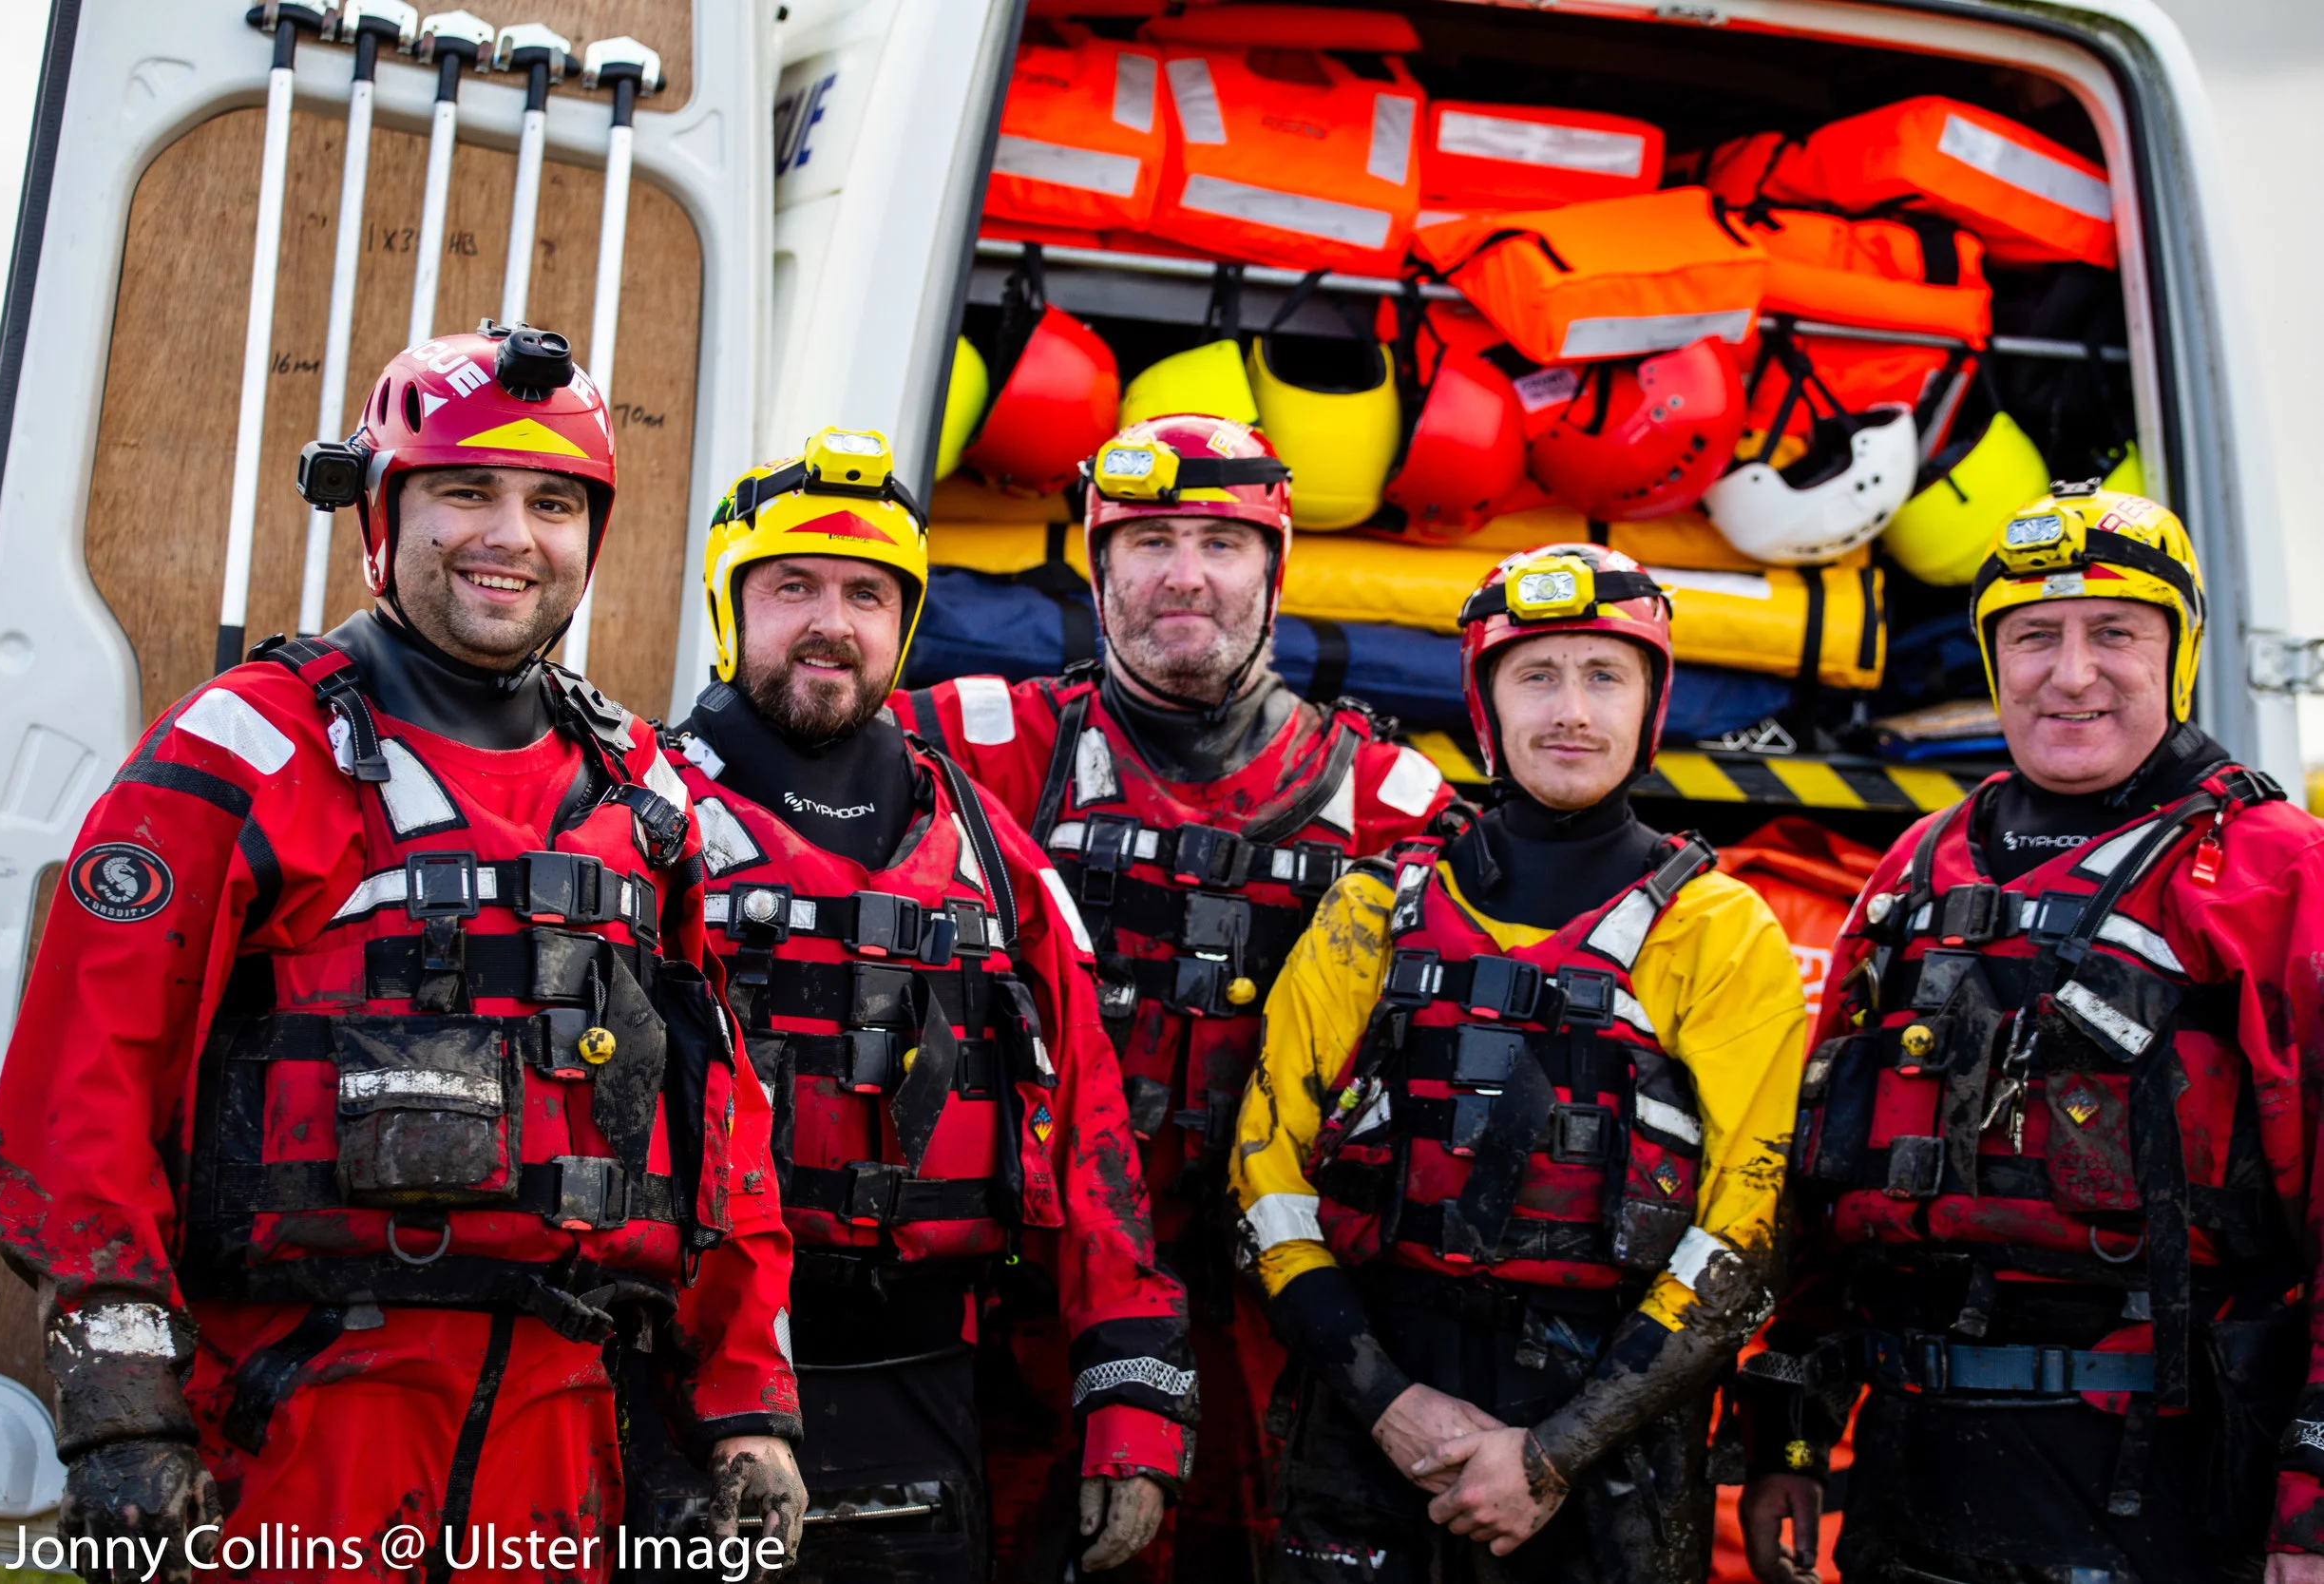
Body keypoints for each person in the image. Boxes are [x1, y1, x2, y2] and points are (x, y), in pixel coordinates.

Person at [0, 324, 805, 1583]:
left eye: (551, 502)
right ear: (382, 508)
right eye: (465, 489)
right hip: (294, 1422)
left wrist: (746, 1402)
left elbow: (719, 1125)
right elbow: (83, 1079)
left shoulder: (640, 792)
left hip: (562, 1438)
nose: (510, 534)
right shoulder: (244, 752)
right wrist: (120, 1397)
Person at [892, 414, 1457, 1581]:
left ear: (1276, 566)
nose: (1184, 575)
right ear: (1097, 570)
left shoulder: (1394, 802)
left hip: (1275, 1320)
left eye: (1221, 542)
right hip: (1021, 1308)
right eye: (1148, 542)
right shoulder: (976, 745)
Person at [1735, 481, 2324, 1584]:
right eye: (2033, 635)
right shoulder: (1917, 867)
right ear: (1993, 659)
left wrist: (2312, 1503)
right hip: (1910, 1481)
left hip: (2161, 1490)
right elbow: (1822, 1181)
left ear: (2176, 653)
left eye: (2115, 633)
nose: (2071, 671)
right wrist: (1793, 1431)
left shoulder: (2275, 871)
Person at [653, 428, 1196, 1584]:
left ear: (901, 623)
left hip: (926, 1384)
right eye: (791, 585)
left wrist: (1131, 1395)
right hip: (678, 1393)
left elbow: (1093, 1130)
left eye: (864, 592)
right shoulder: (645, 822)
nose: (828, 622)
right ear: (728, 602)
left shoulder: (989, 854)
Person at [1231, 542, 1809, 1582]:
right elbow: (1264, 1182)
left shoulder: (1719, 931)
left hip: (1608, 1447)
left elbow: (1746, 1228)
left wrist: (1551, 1455)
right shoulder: (1372, 911)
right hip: (1372, 1420)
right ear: (1485, 701)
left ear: (1651, 701)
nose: (1571, 710)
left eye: (1605, 674)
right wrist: (1389, 1403)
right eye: (1536, 673)